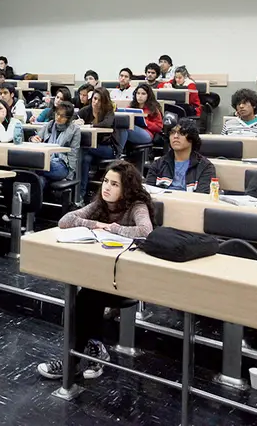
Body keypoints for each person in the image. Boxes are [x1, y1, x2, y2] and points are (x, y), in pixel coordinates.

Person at [37, 162, 155, 380]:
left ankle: (70, 362)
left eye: (114, 184)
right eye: (105, 182)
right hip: (100, 273)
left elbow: (146, 232)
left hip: (129, 279)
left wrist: (114, 228)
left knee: (86, 298)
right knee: (87, 295)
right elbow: (66, 220)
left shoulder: (137, 205)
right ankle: (95, 348)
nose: (107, 188)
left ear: (127, 188)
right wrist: (97, 225)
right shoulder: (100, 204)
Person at [146, 120, 216, 193]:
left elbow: (202, 198)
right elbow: (148, 193)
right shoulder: (158, 164)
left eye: (181, 133)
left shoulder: (205, 167)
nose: (175, 136)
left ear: (192, 138)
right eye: (172, 133)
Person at [77, 87, 119, 199]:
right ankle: (82, 193)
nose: (96, 102)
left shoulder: (108, 112)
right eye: (94, 99)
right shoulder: (86, 110)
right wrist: (76, 121)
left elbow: (107, 124)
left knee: (82, 148)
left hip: (107, 148)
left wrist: (89, 125)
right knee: (85, 159)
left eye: (99, 100)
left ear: (104, 101)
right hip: (91, 148)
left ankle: (79, 192)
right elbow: (72, 118)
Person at [30, 101, 81, 192]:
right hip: (46, 161)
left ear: (68, 118)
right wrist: (33, 139)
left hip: (62, 165)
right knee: (39, 181)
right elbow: (37, 138)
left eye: (62, 116)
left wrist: (69, 177)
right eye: (57, 114)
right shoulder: (50, 124)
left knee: (35, 166)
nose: (58, 117)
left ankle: (29, 170)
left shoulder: (75, 130)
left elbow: (73, 153)